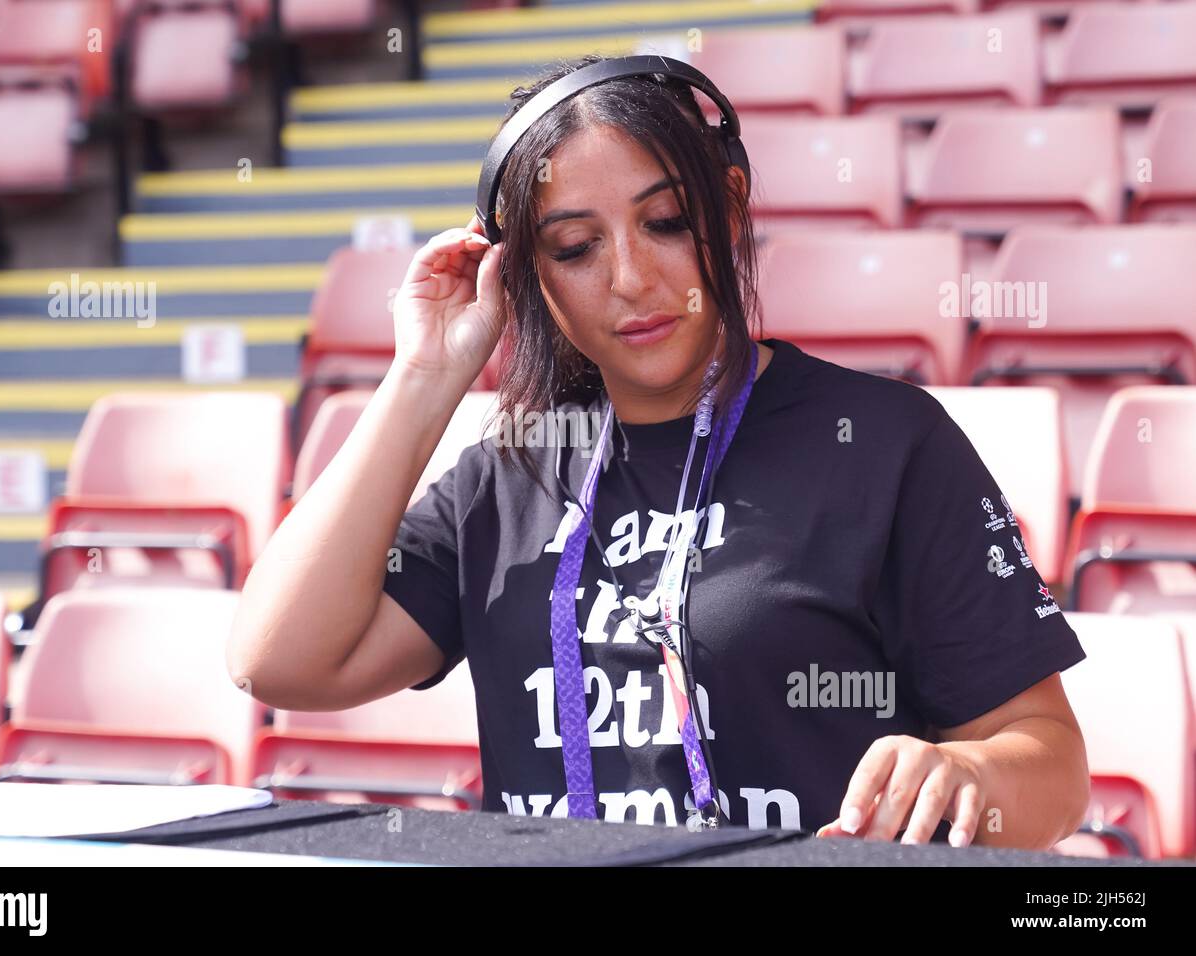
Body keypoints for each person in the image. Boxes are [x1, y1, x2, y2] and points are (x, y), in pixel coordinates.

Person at [227, 54, 1090, 849]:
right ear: (526, 273)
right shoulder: (509, 474)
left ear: (732, 206)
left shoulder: (889, 443)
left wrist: (968, 772)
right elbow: (279, 660)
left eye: (667, 221)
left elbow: (1054, 770)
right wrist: (426, 375)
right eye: (574, 248)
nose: (632, 278)